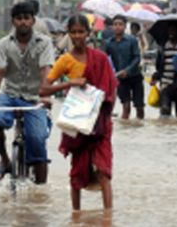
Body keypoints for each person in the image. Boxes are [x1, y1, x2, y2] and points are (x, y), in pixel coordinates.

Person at [39, 14, 118, 210]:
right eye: (73, 32)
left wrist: (105, 115)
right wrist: (69, 83)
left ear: (88, 34)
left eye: (81, 32)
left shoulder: (100, 58)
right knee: (77, 173)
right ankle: (76, 215)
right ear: (68, 34)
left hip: (100, 124)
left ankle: (108, 216)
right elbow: (43, 89)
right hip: (77, 123)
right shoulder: (65, 60)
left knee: (102, 170)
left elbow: (111, 88)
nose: (77, 36)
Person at [0, 2, 55, 183]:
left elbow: (45, 70)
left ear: (33, 20)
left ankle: (40, 192)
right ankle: (5, 160)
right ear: (13, 21)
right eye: (19, 18)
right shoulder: (3, 44)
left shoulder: (45, 43)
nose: (23, 22)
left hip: (35, 98)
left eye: (26, 18)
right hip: (10, 95)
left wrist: (46, 96)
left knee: (38, 140)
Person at [103, 15, 144, 120]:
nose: (117, 27)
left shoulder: (132, 40)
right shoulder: (108, 43)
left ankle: (140, 128)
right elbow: (103, 59)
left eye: (120, 24)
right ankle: (125, 128)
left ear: (125, 26)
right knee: (126, 107)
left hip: (135, 76)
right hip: (120, 78)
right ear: (112, 26)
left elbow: (137, 57)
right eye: (115, 24)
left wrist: (127, 70)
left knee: (139, 107)